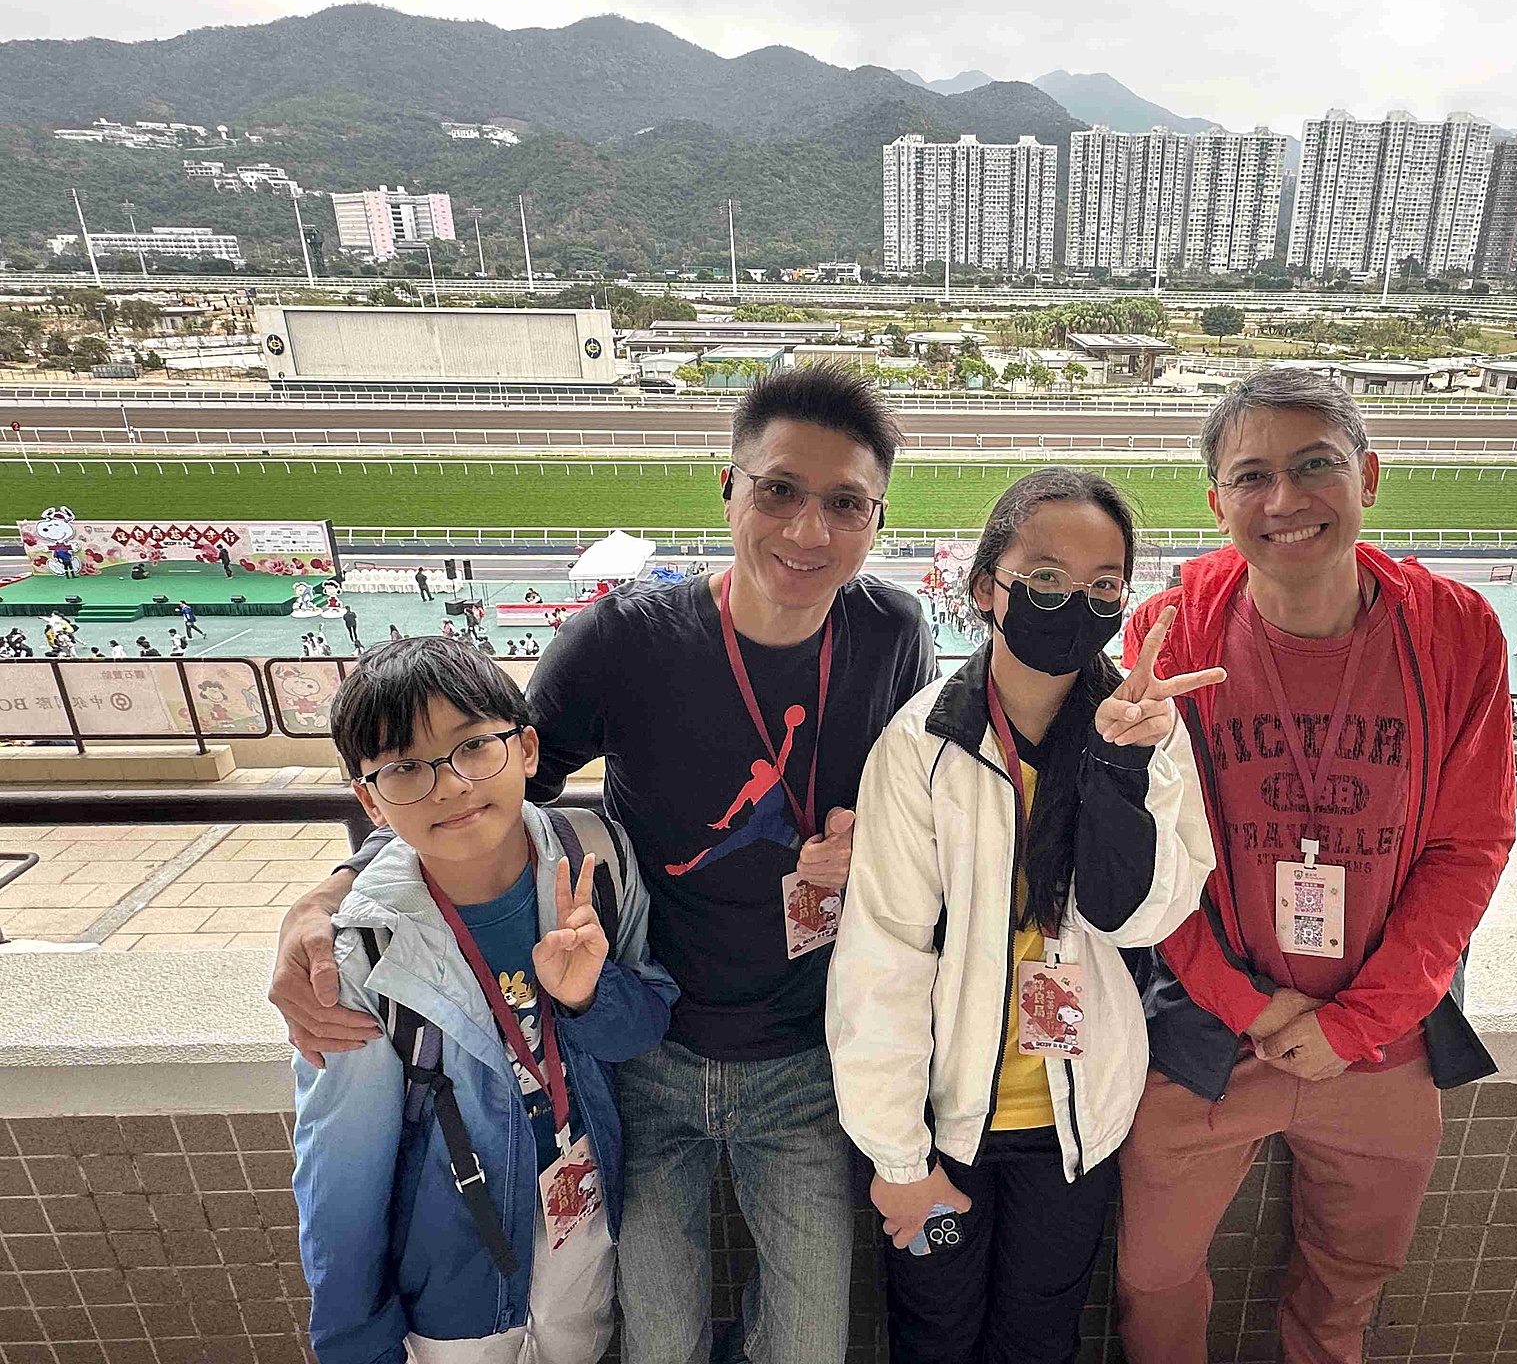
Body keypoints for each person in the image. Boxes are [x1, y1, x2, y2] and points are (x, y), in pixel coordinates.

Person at [269, 366, 937, 1364]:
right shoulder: (626, 639)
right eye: (780, 491)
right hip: (645, 1053)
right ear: (729, 489)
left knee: (809, 1346)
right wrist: (331, 896)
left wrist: (871, 848)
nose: (809, 529)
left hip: (808, 1055)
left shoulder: (893, 633)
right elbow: (487, 780)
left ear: (878, 519)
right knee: (656, 1343)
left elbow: (915, 806)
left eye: (846, 504)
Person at [1109, 370, 1516, 1364]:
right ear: (1217, 504)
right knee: (1150, 1277)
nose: (1285, 500)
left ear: (1367, 477)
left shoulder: (1457, 629)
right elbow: (1152, 857)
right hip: (1209, 1029)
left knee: (1348, 1286)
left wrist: (1356, 1023)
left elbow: (1470, 845)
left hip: (1381, 1039)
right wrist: (1248, 1005)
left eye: (1315, 466)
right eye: (1252, 476)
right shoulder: (1169, 631)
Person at [827, 470, 1216, 1364]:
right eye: (1044, 577)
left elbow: (1142, 918)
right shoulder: (922, 745)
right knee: (934, 1338)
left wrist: (1125, 769)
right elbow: (884, 960)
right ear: (983, 589)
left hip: (1074, 1132)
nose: (1073, 602)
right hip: (944, 1127)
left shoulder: (1150, 734)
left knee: (1040, 1340)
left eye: (1103, 585)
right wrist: (899, 1159)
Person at [292, 637, 679, 1364]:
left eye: (473, 746)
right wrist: (355, 1342)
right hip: (451, 1285)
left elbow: (644, 1028)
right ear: (370, 800)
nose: (450, 785)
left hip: (583, 1229)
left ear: (526, 749)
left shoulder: (595, 859)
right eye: (406, 767)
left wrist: (588, 998)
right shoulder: (362, 954)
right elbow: (340, 1176)